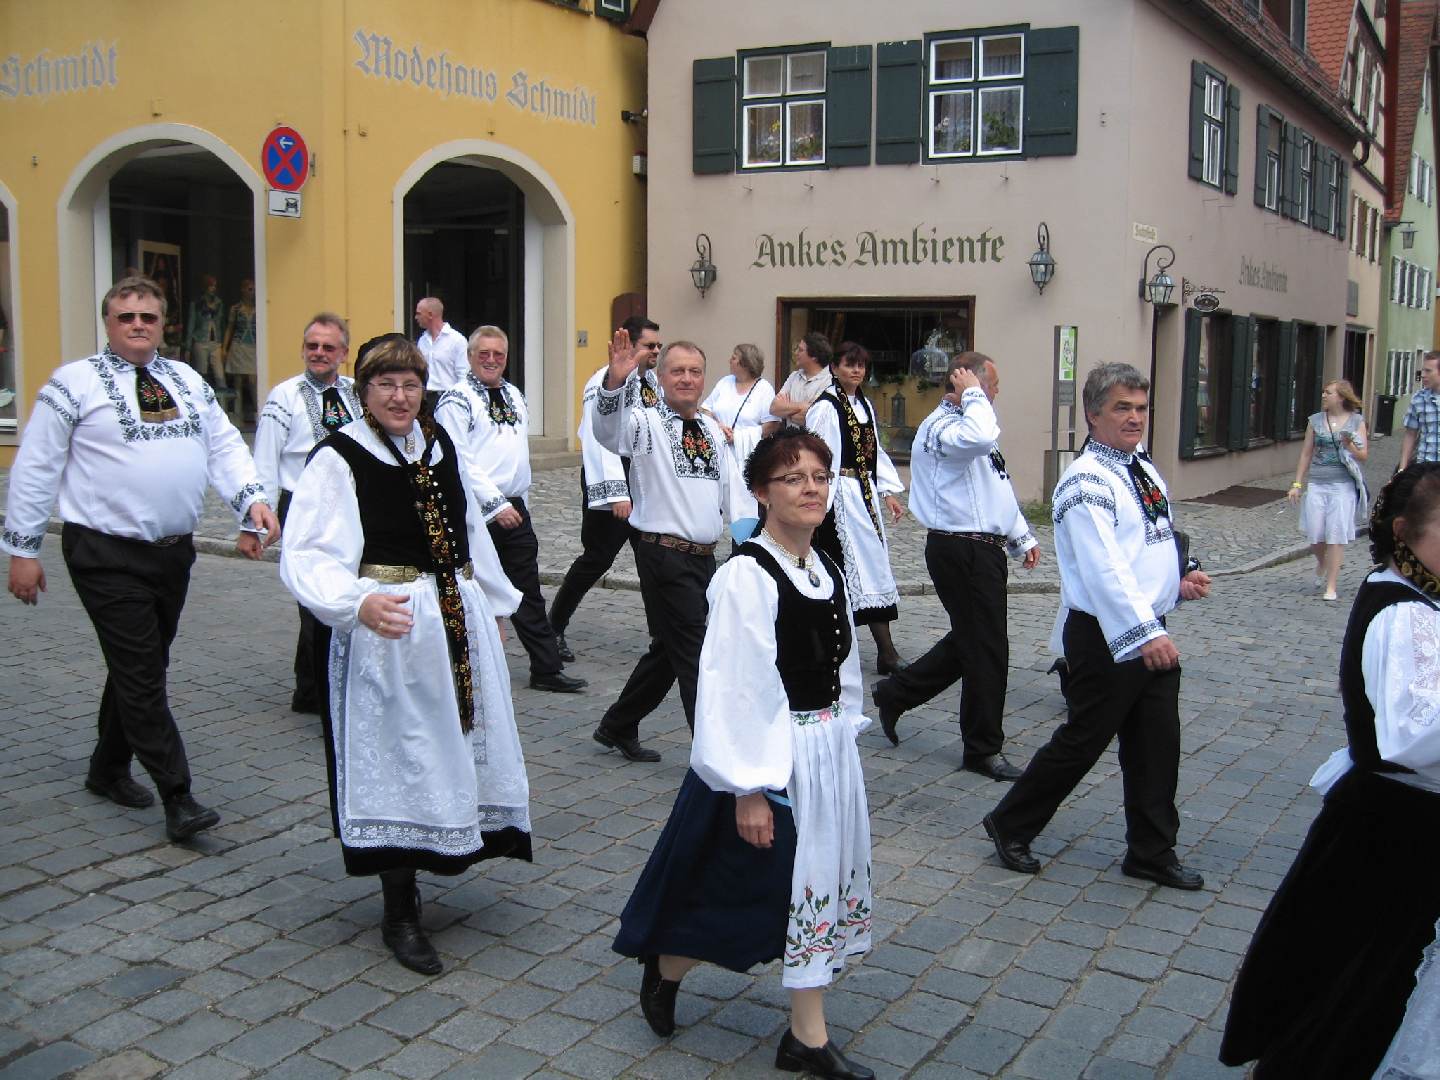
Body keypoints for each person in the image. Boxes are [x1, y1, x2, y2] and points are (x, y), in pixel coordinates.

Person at [613, 428, 875, 1080]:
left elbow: (842, 667)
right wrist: (750, 788)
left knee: (807, 884)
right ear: (761, 492)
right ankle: (669, 963)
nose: (811, 488)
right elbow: (734, 687)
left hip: (822, 753)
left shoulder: (824, 568)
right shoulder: (745, 576)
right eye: (793, 478)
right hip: (767, 758)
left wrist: (843, 739)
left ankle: (805, 1036)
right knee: (741, 887)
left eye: (820, 476)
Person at [279, 334, 532, 976]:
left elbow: (470, 530)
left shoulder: (440, 444)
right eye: (386, 384)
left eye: (410, 385)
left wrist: (494, 604)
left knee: (447, 745)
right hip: (388, 628)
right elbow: (308, 550)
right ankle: (398, 908)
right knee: (398, 754)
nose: (399, 397)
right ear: (364, 392)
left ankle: (439, 849)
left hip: (454, 619)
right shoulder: (340, 456)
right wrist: (355, 603)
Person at [3, 274, 278, 843]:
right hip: (104, 552)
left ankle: (106, 769)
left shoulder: (186, 379)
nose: (137, 325)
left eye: (147, 317)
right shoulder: (73, 383)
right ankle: (179, 796)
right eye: (125, 316)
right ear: (108, 322)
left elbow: (224, 444)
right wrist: (22, 549)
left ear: (162, 324)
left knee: (142, 664)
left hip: (172, 554)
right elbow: (36, 467)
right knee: (142, 671)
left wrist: (251, 502)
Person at [1219, 463, 1440, 1078]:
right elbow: (1411, 735)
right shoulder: (1403, 613)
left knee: (1356, 983)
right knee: (1357, 993)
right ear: (1405, 532)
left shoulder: (1421, 596)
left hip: (1400, 829)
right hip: (1395, 834)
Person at [982, 363, 1212, 888]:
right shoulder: (1086, 482)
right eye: (1121, 408)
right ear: (1092, 414)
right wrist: (1147, 633)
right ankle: (1011, 822)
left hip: (1145, 625)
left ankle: (1151, 851)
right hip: (1106, 634)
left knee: (1157, 745)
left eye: (1141, 408)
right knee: (1082, 741)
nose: (1135, 418)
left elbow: (1149, 541)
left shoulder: (1140, 467)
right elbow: (1103, 568)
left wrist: (1179, 578)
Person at [873, 352, 1039, 781]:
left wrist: (1020, 536)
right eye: (990, 384)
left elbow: (995, 482)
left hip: (981, 548)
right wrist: (974, 395)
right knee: (987, 648)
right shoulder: (944, 427)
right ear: (967, 383)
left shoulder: (971, 423)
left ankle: (896, 693)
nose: (995, 392)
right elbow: (980, 438)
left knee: (974, 640)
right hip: (959, 547)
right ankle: (982, 748)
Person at [589, 333, 730, 763]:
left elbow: (727, 491)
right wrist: (614, 382)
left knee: (669, 650)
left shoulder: (712, 428)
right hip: (663, 555)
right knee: (695, 653)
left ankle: (618, 723)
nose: (687, 378)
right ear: (662, 377)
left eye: (695, 371)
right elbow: (607, 433)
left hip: (703, 558)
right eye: (677, 371)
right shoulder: (644, 422)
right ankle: (714, 759)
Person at [435, 326, 585, 693]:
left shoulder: (514, 395)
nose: (491, 360)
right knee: (471, 588)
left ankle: (546, 668)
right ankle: (463, 668)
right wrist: (494, 503)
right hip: (476, 509)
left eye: (498, 354)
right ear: (470, 356)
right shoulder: (456, 400)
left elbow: (516, 456)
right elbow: (458, 459)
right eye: (483, 353)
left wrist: (518, 501)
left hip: (514, 507)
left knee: (526, 587)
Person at [253, 312, 362, 713]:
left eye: (328, 347)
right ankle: (320, 692)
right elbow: (266, 457)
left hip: (349, 505)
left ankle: (311, 688)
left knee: (343, 593)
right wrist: (258, 517)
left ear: (343, 353)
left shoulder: (355, 392)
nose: (319, 353)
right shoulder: (284, 396)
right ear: (302, 349)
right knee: (315, 598)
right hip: (303, 505)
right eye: (312, 346)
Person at [547, 316, 662, 662]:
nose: (656, 350)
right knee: (597, 558)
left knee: (651, 559)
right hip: (614, 481)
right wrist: (618, 493)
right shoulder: (603, 382)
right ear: (629, 345)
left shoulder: (650, 382)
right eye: (650, 345)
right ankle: (553, 627)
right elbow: (598, 439)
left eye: (659, 345)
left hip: (642, 480)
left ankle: (662, 635)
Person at [805, 341, 908, 674]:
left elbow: (874, 452)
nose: (856, 371)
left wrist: (888, 491)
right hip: (838, 500)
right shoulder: (826, 407)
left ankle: (886, 652)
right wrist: (817, 501)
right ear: (834, 368)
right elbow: (817, 457)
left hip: (863, 495)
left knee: (872, 568)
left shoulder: (863, 404)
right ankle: (832, 650)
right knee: (842, 572)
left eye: (861, 365)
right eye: (850, 364)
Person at [1287, 378, 1369, 602]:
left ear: (1341, 397)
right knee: (1315, 533)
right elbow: (1306, 453)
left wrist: (1349, 445)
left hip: (1342, 486)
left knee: (1335, 534)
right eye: (1323, 392)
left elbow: (1363, 456)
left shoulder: (1356, 421)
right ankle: (1323, 562)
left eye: (1328, 392)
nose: (1323, 395)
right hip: (1317, 482)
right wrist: (1297, 484)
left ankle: (1331, 585)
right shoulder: (1315, 421)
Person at [700, 343, 776, 537]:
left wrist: (739, 437)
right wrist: (718, 426)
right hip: (720, 453)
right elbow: (706, 410)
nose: (730, 360)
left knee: (746, 505)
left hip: (747, 457)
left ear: (745, 363)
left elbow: (772, 424)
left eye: (734, 357)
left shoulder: (763, 389)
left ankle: (744, 542)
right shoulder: (725, 383)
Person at [764, 332, 834, 435]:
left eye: (800, 350)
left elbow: (816, 417)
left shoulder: (830, 382)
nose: (796, 353)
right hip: (790, 441)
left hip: (814, 442)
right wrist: (804, 406)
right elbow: (774, 408)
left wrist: (787, 410)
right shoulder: (794, 377)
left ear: (814, 356)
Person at [414, 296, 468, 400]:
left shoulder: (457, 340)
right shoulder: (422, 340)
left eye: (419, 313)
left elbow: (464, 375)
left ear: (430, 315)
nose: (416, 317)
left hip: (448, 397)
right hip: (425, 398)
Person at [221, 278, 258, 425]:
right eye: (249, 289)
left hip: (253, 346)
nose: (252, 292)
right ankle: (238, 414)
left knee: (253, 380)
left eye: (253, 289)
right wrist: (225, 348)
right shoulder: (235, 309)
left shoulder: (258, 308)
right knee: (238, 381)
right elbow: (230, 328)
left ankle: (259, 410)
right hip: (238, 345)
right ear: (243, 290)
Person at [185, 274, 226, 390]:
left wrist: (223, 344)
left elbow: (221, 323)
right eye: (211, 286)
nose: (213, 289)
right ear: (205, 287)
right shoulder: (197, 303)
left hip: (215, 341)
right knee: (201, 372)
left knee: (219, 374)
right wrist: (188, 347)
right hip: (201, 339)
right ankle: (201, 395)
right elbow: (191, 324)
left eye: (214, 286)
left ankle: (222, 398)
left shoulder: (219, 303)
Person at [1400, 351, 1440, 470]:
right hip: (1424, 468)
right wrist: (1402, 468)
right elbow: (1410, 435)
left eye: (1428, 371)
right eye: (1422, 370)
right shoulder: (1419, 399)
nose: (1422, 375)